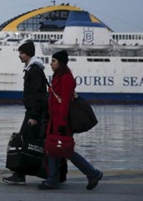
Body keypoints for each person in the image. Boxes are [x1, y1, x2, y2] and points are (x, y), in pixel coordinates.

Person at [38, 50, 103, 190]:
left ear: (60, 62)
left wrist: (61, 123)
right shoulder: (57, 76)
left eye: (54, 61)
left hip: (62, 122)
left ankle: (92, 173)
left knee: (66, 151)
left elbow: (65, 102)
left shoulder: (66, 78)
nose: (51, 63)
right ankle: (53, 179)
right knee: (53, 149)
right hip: (54, 121)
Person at [3, 40, 48, 185]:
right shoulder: (32, 69)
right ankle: (25, 173)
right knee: (29, 142)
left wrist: (34, 116)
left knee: (24, 141)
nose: (19, 56)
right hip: (32, 112)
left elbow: (37, 94)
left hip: (33, 114)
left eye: (21, 53)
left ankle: (20, 175)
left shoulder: (34, 70)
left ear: (28, 54)